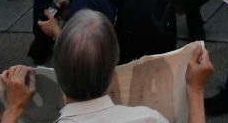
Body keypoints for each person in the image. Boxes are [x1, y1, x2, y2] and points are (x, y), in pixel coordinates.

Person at [53, 8, 215, 123]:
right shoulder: (147, 119)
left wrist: (25, 108)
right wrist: (195, 90)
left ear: (57, 69)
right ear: (112, 70)